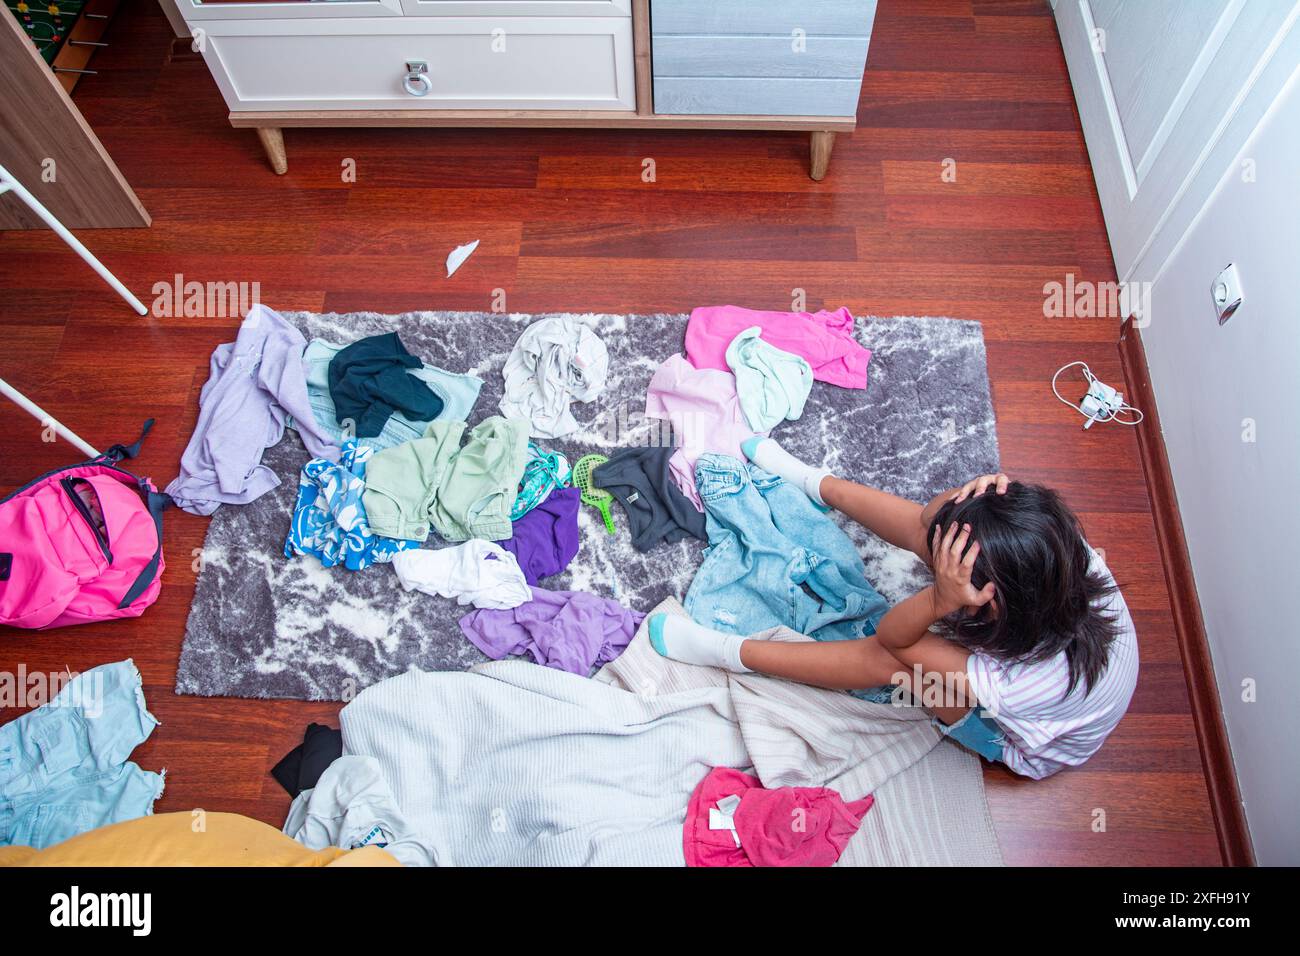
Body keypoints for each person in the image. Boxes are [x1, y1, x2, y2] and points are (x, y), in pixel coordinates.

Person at [649, 438, 1139, 779]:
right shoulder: (1062, 550)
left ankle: (727, 652)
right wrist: (983, 499)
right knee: (940, 535)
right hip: (1033, 649)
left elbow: (893, 638)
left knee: (896, 666)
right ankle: (814, 482)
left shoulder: (1014, 681)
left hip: (1011, 739)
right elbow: (928, 520)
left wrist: (938, 599)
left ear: (987, 607)